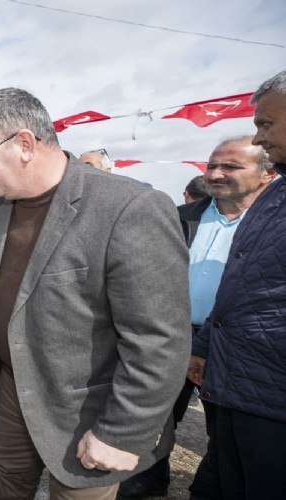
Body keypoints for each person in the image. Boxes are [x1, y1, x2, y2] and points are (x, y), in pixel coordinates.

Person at [0, 87, 190, 498]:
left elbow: (160, 340)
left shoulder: (129, 207)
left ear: (24, 144)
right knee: (8, 480)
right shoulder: (1, 204)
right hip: (13, 384)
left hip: (82, 407)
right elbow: (3, 261)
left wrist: (123, 432)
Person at [119, 136, 274, 499]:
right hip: (172, 332)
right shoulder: (180, 216)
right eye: (211, 165)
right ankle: (149, 476)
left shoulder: (271, 226)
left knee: (223, 424)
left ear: (267, 174)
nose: (215, 174)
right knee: (157, 411)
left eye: (231, 166)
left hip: (233, 341)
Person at [186, 69, 286, 499]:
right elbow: (238, 289)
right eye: (212, 165)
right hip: (229, 376)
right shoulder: (274, 203)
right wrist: (205, 346)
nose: (261, 136)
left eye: (266, 123)